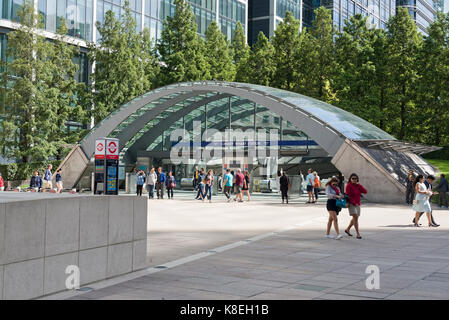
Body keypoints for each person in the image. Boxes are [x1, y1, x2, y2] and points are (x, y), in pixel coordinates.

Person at [344, 173, 367, 239]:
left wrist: (359, 185)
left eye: (355, 178)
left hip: (358, 204)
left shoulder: (358, 186)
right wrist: (354, 203)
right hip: (351, 204)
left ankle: (347, 229)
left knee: (355, 218)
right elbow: (349, 196)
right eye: (353, 178)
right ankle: (358, 234)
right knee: (355, 217)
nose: (354, 180)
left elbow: (365, 191)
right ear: (350, 179)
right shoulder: (348, 186)